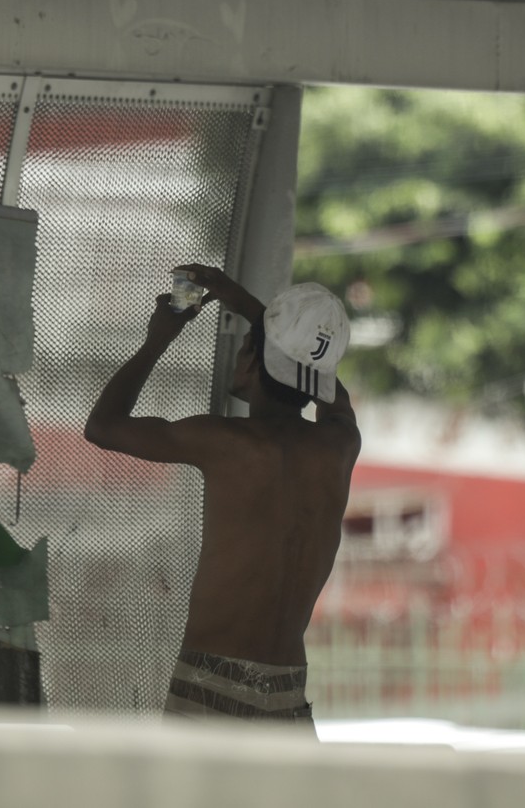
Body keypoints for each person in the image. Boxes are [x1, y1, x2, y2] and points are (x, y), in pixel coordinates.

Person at [83, 265, 360, 731]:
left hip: (208, 697)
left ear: (253, 359)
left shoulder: (226, 440)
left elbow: (103, 427)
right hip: (289, 703)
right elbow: (333, 397)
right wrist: (254, 313)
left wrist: (160, 338)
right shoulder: (338, 448)